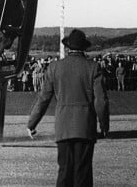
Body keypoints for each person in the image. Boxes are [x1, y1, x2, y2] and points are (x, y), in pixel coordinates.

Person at [27, 29, 110, 187]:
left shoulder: (54, 67)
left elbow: (43, 98)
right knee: (83, 173)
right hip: (85, 127)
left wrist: (32, 124)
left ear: (67, 47)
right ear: (84, 48)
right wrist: (104, 126)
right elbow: (101, 101)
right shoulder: (93, 67)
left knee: (64, 171)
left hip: (63, 127)